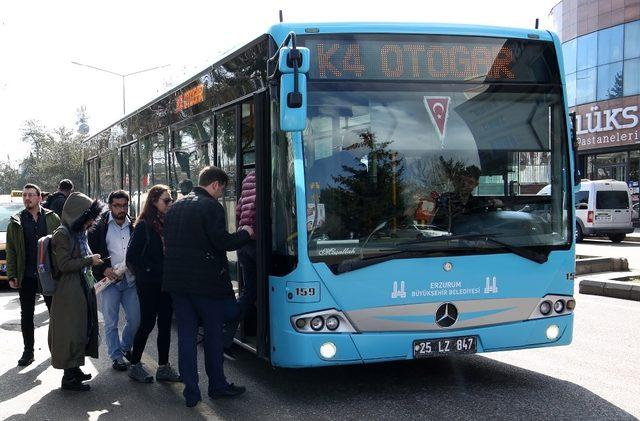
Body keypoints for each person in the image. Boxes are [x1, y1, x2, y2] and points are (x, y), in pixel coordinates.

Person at [163, 165, 253, 407]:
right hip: (206, 285)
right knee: (213, 336)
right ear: (215, 184)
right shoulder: (211, 206)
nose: (221, 195)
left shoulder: (176, 206)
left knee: (186, 338)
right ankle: (217, 386)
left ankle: (191, 392)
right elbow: (221, 241)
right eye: (221, 190)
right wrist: (245, 232)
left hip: (177, 284)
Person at [126, 185, 180, 383]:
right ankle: (135, 364)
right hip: (149, 283)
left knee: (165, 324)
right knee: (148, 323)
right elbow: (131, 256)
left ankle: (163, 367)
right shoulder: (144, 226)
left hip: (166, 283)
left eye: (171, 199)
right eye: (166, 200)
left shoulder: (169, 223)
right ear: (154, 201)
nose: (170, 203)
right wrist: (150, 269)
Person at [49, 192, 103, 391]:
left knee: (81, 329)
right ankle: (69, 377)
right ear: (78, 215)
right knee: (71, 332)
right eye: (88, 218)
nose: (90, 223)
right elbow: (63, 264)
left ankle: (75, 370)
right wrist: (90, 260)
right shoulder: (63, 234)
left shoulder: (77, 232)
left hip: (79, 286)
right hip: (69, 290)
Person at [6, 183, 61, 366]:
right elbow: (12, 251)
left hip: (49, 275)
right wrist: (12, 274)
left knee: (56, 314)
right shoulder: (16, 221)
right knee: (27, 315)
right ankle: (28, 351)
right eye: (24, 195)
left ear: (39, 198)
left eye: (31, 195)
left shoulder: (52, 218)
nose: (27, 198)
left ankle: (58, 350)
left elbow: (61, 245)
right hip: (27, 274)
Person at [88, 190, 140, 371]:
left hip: (130, 280)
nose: (121, 209)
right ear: (110, 207)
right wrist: (103, 268)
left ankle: (125, 347)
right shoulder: (98, 227)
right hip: (109, 281)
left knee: (135, 319)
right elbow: (90, 253)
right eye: (117, 206)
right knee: (111, 322)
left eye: (124, 205)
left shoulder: (135, 224)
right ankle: (116, 356)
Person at [223, 170, 257, 354]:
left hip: (244, 244)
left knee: (249, 291)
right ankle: (226, 328)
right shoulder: (272, 173)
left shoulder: (248, 178)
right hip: (257, 243)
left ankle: (227, 329)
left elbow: (239, 209)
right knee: (255, 290)